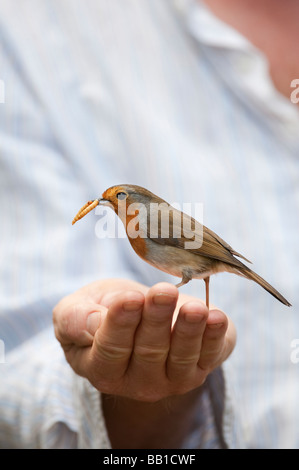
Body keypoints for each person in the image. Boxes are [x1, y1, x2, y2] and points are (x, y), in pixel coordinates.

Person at [0, 0, 298, 449]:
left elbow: (198, 255)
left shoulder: (151, 222)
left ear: (135, 203)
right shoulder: (25, 27)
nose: (113, 205)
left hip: (206, 256)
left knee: (187, 279)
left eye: (118, 198)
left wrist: (222, 267)